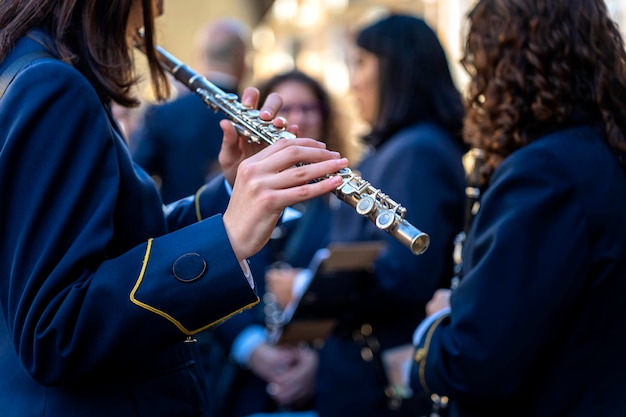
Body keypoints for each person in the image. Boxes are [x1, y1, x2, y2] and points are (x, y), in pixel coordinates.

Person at [0, 1, 349, 416]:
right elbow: (54, 330)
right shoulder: (53, 84)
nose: (159, 9)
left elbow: (120, 241)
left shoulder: (31, 69)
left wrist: (234, 193)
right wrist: (224, 241)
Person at [408, 1, 626, 416]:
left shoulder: (545, 171)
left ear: (508, 65)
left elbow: (475, 359)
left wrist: (437, 328)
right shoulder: (603, 149)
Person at [309, 13, 468, 417]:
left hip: (376, 380)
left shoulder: (416, 151)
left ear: (397, 68)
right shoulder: (406, 147)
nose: (352, 82)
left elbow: (403, 273)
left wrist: (310, 290)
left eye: (360, 63)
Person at [206, 70, 357, 417]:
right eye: (288, 108)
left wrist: (318, 362)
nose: (299, 118)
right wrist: (251, 347)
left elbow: (355, 289)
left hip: (320, 389)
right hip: (241, 388)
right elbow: (207, 275)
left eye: (309, 108)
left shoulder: (347, 198)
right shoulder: (231, 188)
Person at [130, 17, 250, 204]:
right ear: (241, 59)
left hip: (182, 228)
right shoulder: (259, 112)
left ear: (199, 56)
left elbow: (135, 177)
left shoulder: (164, 114)